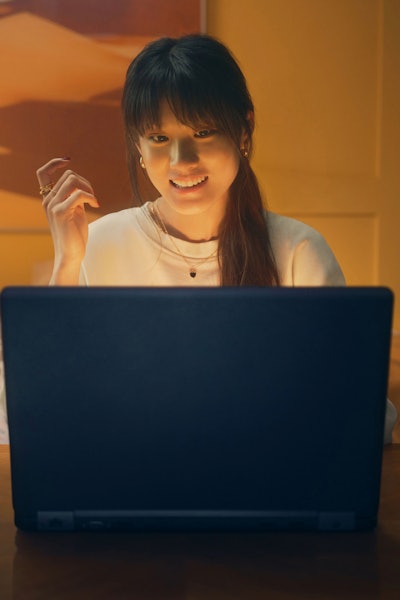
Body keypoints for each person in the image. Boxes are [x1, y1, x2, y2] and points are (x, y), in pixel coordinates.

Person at [35, 34, 396, 439]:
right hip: (134, 480)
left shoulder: (299, 252)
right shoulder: (97, 246)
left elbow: (368, 417)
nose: (181, 161)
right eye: (159, 138)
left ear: (244, 130)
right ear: (138, 145)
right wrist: (67, 262)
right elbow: (36, 406)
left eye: (203, 132)